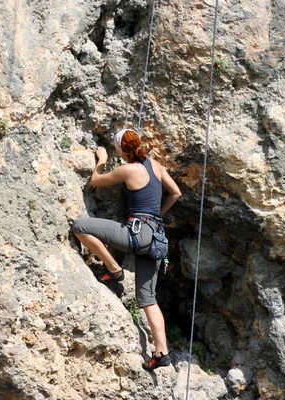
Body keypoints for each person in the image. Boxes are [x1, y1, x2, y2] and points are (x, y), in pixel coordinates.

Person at [72, 128, 181, 371]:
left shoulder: (129, 169)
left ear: (122, 150)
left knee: (80, 226)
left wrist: (102, 161)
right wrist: (157, 216)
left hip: (137, 234)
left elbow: (96, 181)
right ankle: (161, 352)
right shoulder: (156, 166)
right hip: (156, 239)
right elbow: (176, 193)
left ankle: (114, 269)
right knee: (148, 299)